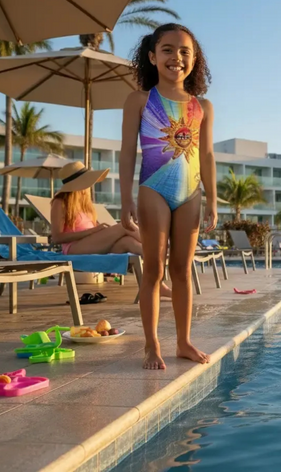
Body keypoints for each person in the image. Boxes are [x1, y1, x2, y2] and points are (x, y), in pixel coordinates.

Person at [120, 23, 217, 370]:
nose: (176, 57)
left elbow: (206, 156)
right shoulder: (140, 100)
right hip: (153, 189)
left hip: (190, 194)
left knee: (182, 269)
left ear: (194, 60)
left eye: (184, 51)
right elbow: (127, 152)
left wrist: (213, 199)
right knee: (154, 270)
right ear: (151, 56)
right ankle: (151, 345)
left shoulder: (202, 106)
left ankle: (184, 341)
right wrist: (125, 198)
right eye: (167, 49)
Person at [50, 161, 172, 298]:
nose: (89, 187)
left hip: (91, 244)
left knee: (128, 242)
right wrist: (92, 231)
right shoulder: (59, 203)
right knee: (124, 226)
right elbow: (57, 237)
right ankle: (162, 247)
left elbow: (90, 229)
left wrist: (99, 229)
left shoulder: (84, 204)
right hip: (74, 249)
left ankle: (158, 284)